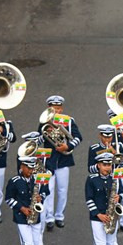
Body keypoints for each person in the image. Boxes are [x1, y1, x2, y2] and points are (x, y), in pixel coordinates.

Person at [39, 95, 82, 231]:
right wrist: (46, 131)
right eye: (53, 108)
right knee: (49, 190)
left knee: (62, 190)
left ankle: (59, 215)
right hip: (48, 160)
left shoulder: (68, 121)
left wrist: (68, 147)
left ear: (61, 109)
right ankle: (49, 217)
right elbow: (39, 139)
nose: (56, 111)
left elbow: (78, 137)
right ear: (49, 108)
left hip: (63, 160)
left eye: (58, 108)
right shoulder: (44, 121)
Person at [5, 157, 48, 245]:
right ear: (22, 167)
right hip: (21, 217)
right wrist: (21, 208)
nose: (31, 170)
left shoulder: (38, 178)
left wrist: (42, 197)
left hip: (36, 216)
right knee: (28, 244)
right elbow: (8, 199)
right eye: (28, 168)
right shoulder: (14, 181)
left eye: (32, 168)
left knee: (35, 243)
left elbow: (46, 191)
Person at [85, 152, 123, 245]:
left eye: (109, 165)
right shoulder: (91, 179)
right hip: (98, 218)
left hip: (112, 216)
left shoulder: (115, 179)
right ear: (98, 165)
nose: (107, 168)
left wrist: (119, 197)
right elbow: (89, 199)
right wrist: (98, 214)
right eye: (105, 165)